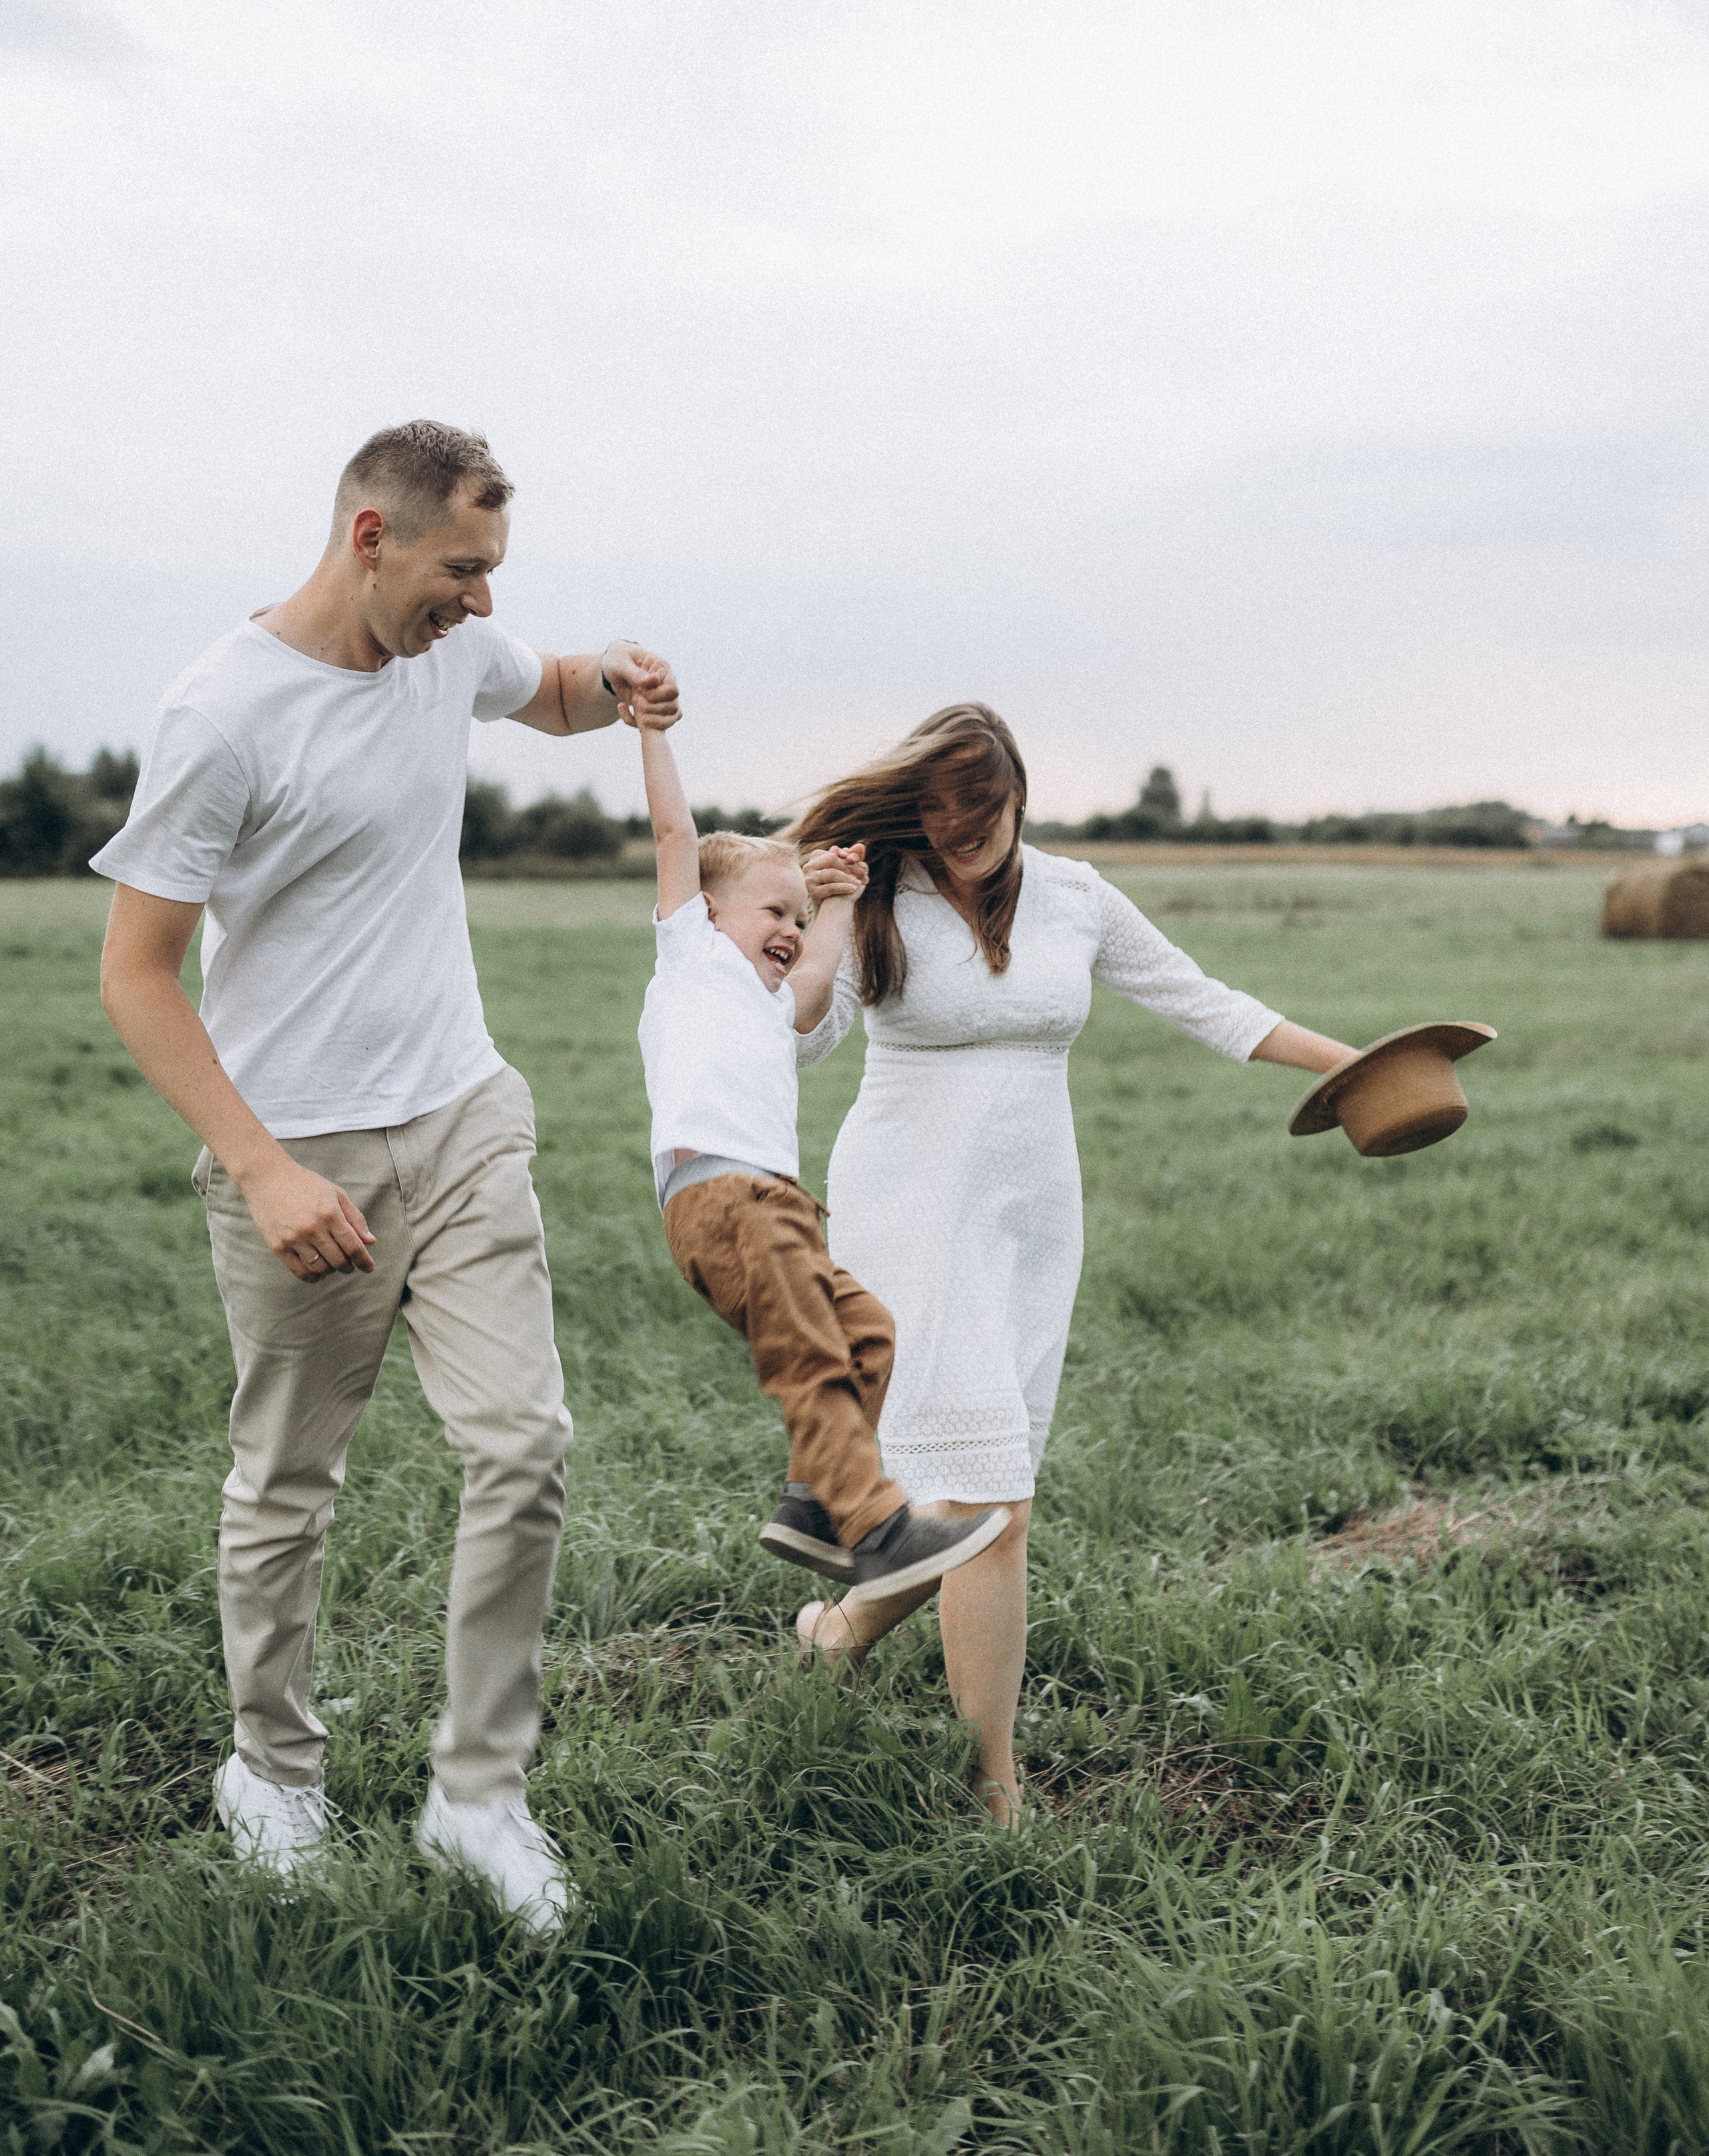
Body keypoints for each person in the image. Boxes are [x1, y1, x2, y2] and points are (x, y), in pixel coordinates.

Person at [95, 419, 678, 1936]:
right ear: (371, 537)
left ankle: (478, 1794)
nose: (478, 604)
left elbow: (543, 693)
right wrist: (264, 1168)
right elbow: (141, 976)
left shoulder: (445, 654)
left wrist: (614, 683)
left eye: (494, 574)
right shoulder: (222, 716)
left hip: (465, 1111)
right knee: (288, 1480)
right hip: (305, 1153)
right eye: (459, 571)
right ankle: (271, 1771)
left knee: (524, 1444)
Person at [789, 704, 1356, 1825]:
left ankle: (839, 1630)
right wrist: (827, 915)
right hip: (910, 1210)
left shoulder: (1075, 896)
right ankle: (996, 1792)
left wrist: (1353, 1064)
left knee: (972, 1487)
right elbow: (801, 1039)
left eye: (979, 815)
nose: (958, 834)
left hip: (1032, 1219)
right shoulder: (878, 896)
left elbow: (1203, 999)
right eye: (937, 812)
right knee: (994, 1498)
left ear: (1017, 800)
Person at [635, 709, 1009, 1603]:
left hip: (773, 1205)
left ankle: (812, 1503)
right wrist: (648, 728)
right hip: (725, 1197)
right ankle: (874, 1523)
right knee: (808, 1355)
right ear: (707, 909)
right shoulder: (693, 955)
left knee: (865, 1332)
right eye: (776, 910)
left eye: (797, 920)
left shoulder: (767, 1001)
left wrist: (834, 902)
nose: (792, 932)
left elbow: (810, 995)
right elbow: (675, 831)